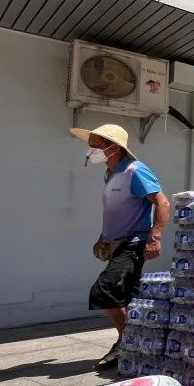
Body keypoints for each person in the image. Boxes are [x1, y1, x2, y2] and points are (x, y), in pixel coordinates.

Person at [70, 123, 169, 369]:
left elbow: (162, 202)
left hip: (133, 242)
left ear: (113, 148)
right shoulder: (111, 173)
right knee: (129, 298)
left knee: (104, 292)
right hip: (116, 243)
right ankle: (135, 346)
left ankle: (128, 340)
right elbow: (116, 210)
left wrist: (155, 236)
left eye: (96, 146)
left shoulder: (135, 171)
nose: (90, 150)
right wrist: (103, 237)